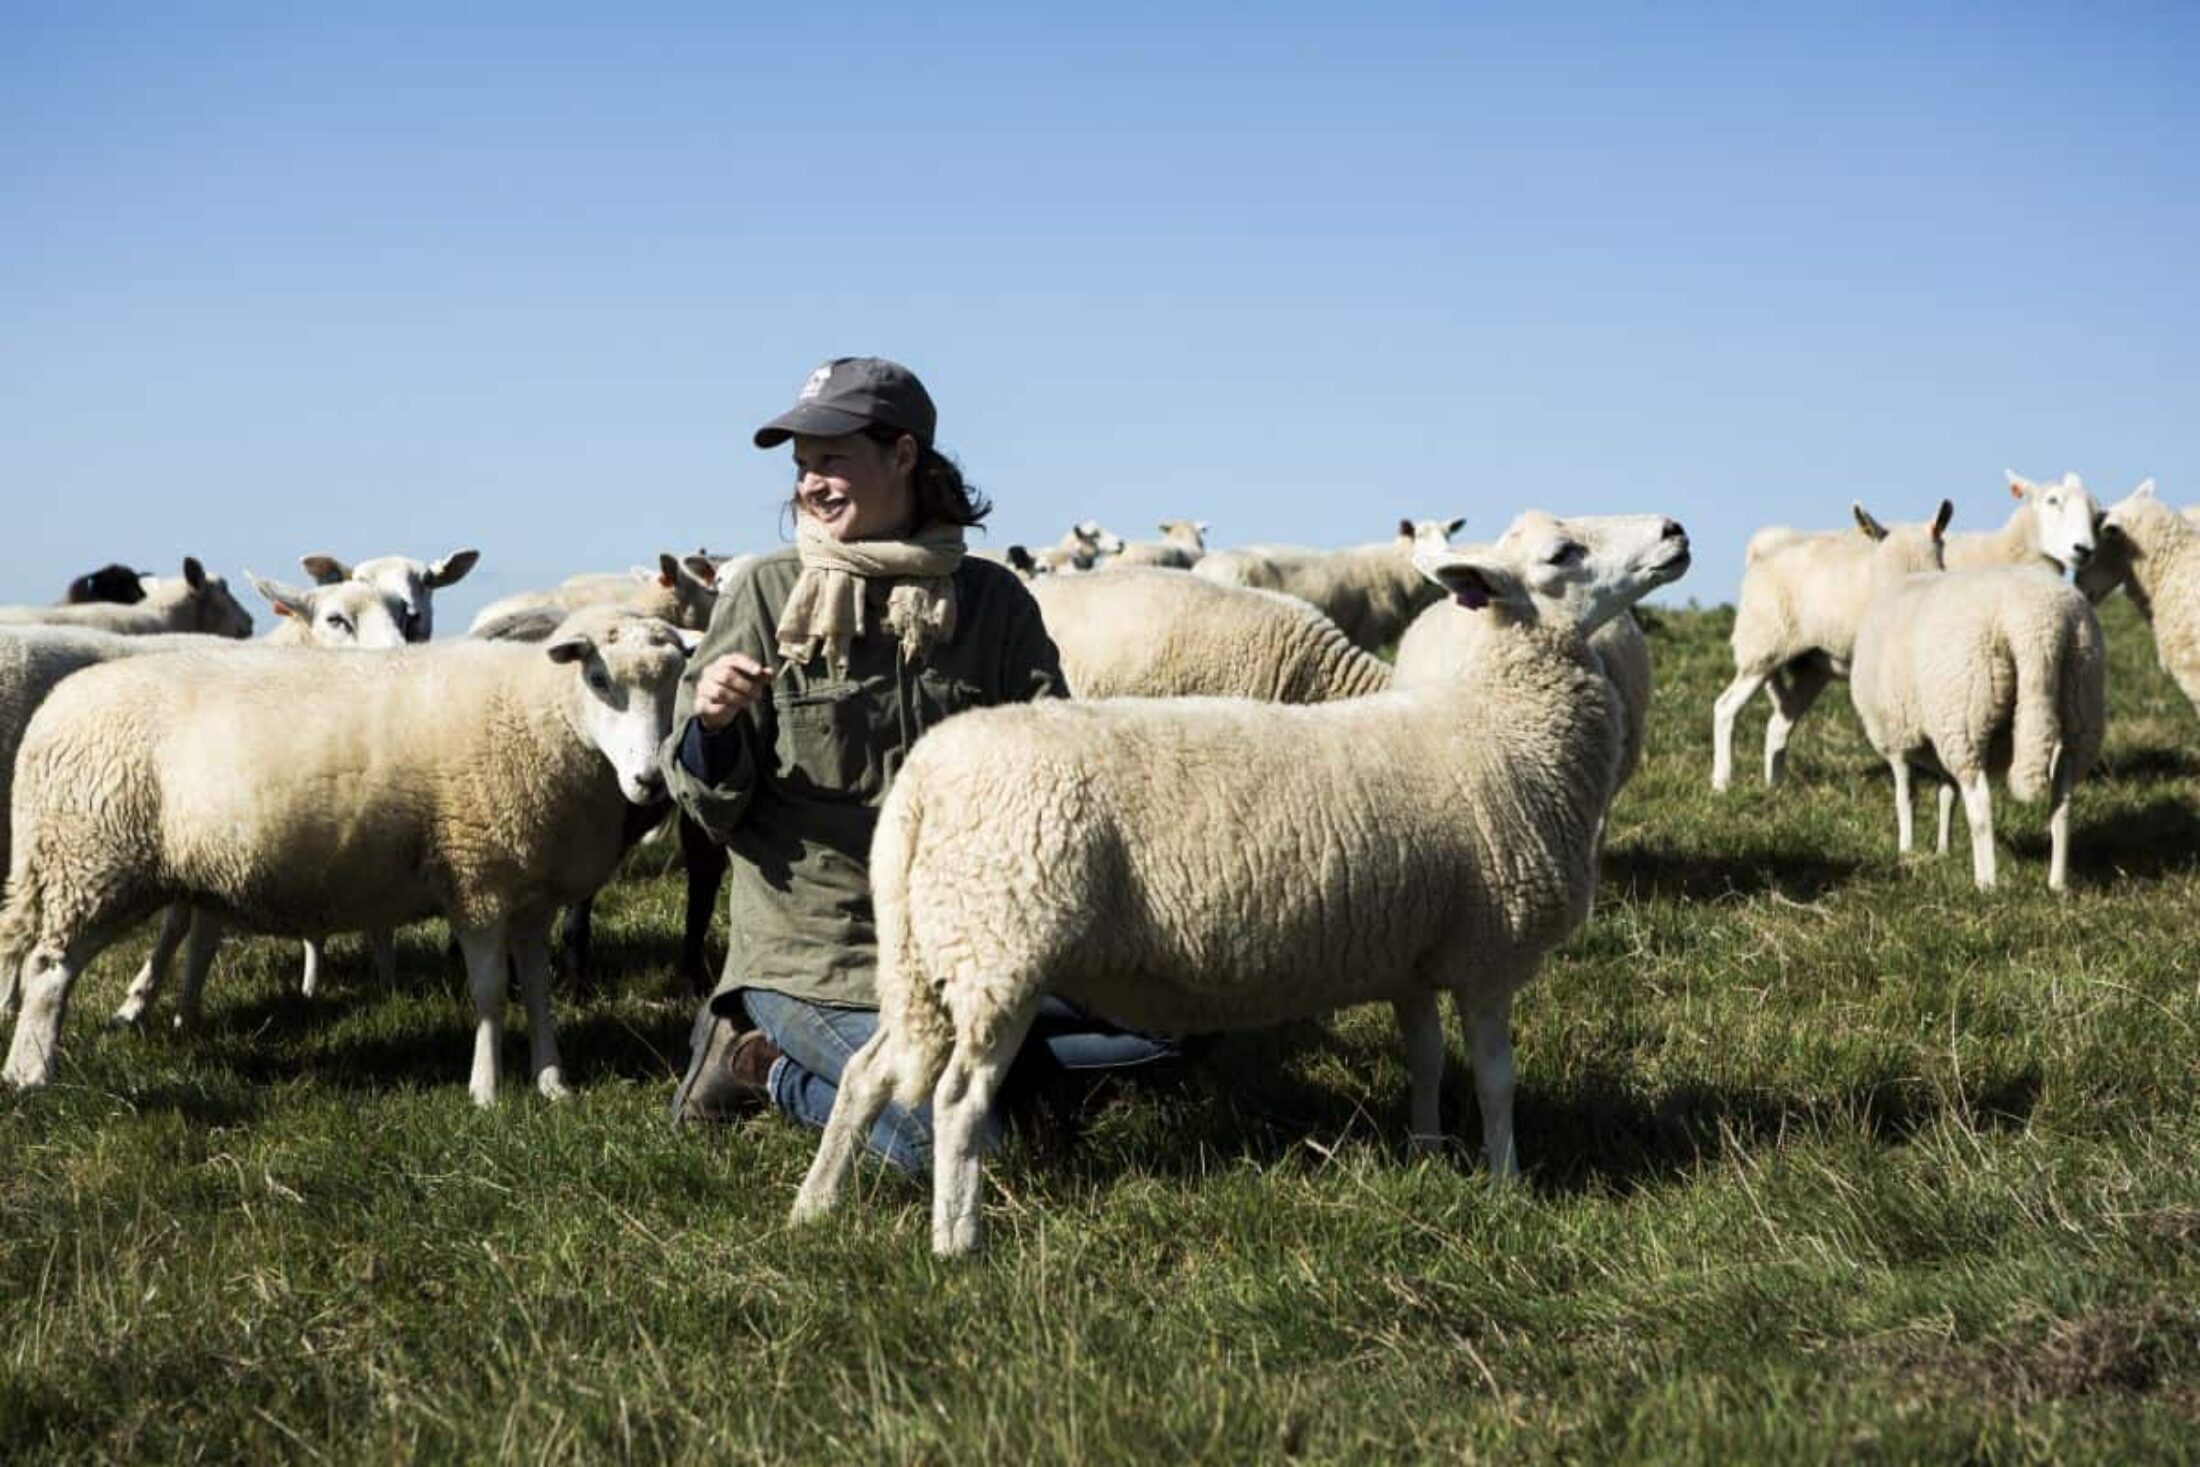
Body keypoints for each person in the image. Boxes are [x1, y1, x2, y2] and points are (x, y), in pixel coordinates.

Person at [663, 356, 1176, 1171]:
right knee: (962, 1146)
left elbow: (1060, 750)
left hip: (968, 940)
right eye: (803, 466)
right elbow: (710, 807)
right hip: (824, 953)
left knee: (1175, 1031)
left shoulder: (992, 601)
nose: (812, 484)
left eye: (833, 458)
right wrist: (715, 725)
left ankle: (1003, 1077)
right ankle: (762, 1063)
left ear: (903, 456)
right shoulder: (765, 593)